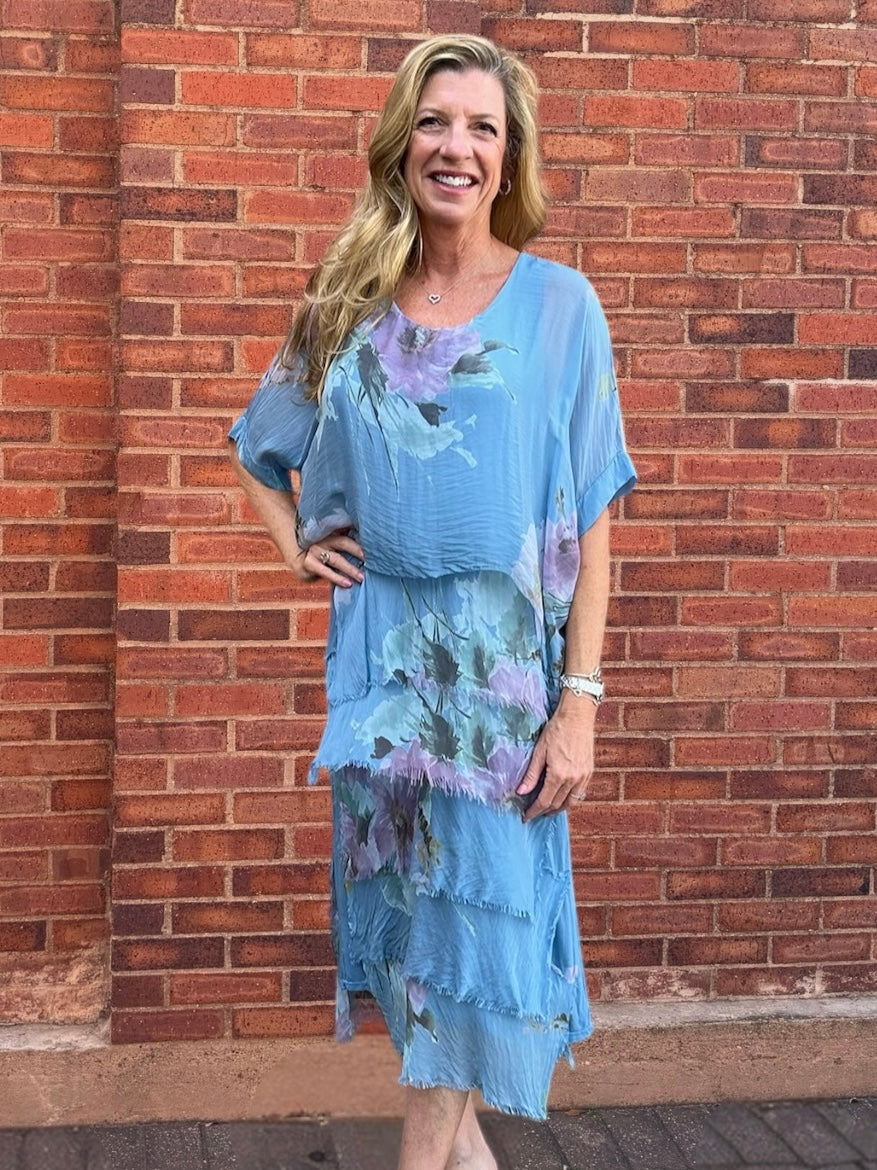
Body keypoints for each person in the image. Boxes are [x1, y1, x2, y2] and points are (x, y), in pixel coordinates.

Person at [228, 33, 636, 1170]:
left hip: (500, 704)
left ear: (510, 158)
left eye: (482, 128)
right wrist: (298, 546)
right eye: (435, 120)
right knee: (422, 973)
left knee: (466, 973)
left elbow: (593, 525)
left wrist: (579, 704)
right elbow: (258, 451)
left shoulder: (560, 309)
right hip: (384, 683)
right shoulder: (348, 301)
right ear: (401, 142)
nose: (457, 146)